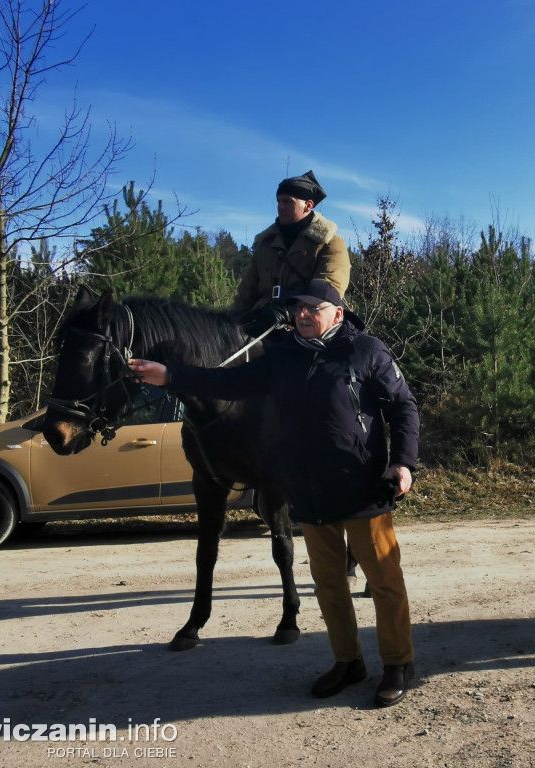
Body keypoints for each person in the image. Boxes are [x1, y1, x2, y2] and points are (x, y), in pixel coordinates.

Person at [129, 280, 419, 708]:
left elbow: (404, 407)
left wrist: (404, 463)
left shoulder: (366, 351)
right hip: (308, 489)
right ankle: (348, 661)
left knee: (384, 580)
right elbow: (225, 383)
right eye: (298, 308)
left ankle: (397, 663)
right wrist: (170, 376)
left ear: (337, 313)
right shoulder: (280, 357)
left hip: (362, 486)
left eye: (313, 308)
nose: (303, 314)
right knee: (328, 585)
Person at [232, 170, 351, 337]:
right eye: (279, 201)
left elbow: (330, 288)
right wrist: (230, 320)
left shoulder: (330, 242)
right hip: (261, 320)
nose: (281, 207)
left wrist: (290, 311)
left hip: (307, 323)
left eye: (288, 202)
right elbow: (246, 291)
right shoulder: (266, 244)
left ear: (308, 205)